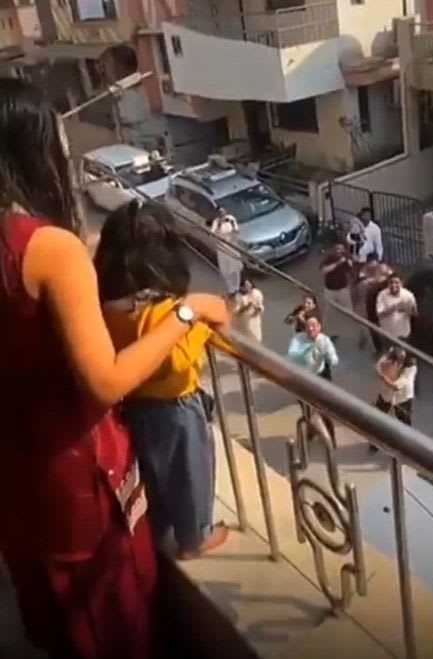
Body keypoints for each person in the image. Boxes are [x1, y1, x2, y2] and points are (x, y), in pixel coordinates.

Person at [0, 75, 229, 659]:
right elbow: (105, 379)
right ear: (33, 148)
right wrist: (187, 312)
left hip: (16, 475)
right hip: (74, 474)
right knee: (113, 621)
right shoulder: (46, 248)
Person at [95, 201, 232, 561]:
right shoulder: (164, 314)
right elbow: (177, 356)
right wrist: (199, 323)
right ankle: (194, 538)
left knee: (154, 475)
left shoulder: (107, 305)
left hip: (135, 404)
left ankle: (158, 529)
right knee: (192, 474)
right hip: (176, 407)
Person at [287, 316, 340, 444]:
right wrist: (307, 351)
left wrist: (328, 355)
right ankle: (312, 431)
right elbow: (292, 356)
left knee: (325, 410)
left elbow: (334, 360)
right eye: (308, 326)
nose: (311, 328)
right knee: (307, 410)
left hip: (320, 377)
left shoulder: (325, 341)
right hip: (303, 379)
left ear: (319, 327)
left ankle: (330, 439)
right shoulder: (298, 339)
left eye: (314, 325)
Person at [370, 347, 418, 454]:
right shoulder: (390, 356)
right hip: (386, 394)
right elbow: (378, 366)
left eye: (398, 360)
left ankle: (407, 444)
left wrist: (382, 377)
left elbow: (396, 387)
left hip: (402, 398)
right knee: (378, 418)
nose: (394, 362)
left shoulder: (410, 368)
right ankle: (375, 442)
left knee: (404, 422)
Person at [356, 253, 393, 352]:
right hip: (371, 303)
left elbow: (391, 276)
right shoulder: (364, 271)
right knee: (373, 326)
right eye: (370, 262)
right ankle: (379, 348)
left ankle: (389, 343)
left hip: (383, 300)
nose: (372, 264)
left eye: (374, 262)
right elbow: (361, 281)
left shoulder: (383, 268)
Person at [376, 273, 418, 343]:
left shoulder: (408, 296)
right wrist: (394, 307)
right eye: (391, 283)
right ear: (388, 284)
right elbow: (379, 315)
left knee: (401, 354)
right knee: (386, 352)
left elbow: (415, 314)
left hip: (403, 334)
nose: (394, 285)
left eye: (396, 282)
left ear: (401, 283)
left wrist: (407, 309)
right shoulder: (382, 295)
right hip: (386, 333)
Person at [210, 206, 243, 295]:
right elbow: (212, 234)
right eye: (220, 212)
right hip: (222, 248)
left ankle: (237, 286)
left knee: (235, 269)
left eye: (223, 212)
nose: (222, 214)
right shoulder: (216, 222)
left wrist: (233, 226)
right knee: (226, 270)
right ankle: (231, 289)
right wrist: (219, 225)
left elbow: (237, 230)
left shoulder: (231, 219)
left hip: (232, 246)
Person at [321, 242, 357, 314]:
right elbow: (323, 271)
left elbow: (351, 272)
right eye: (338, 248)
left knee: (349, 310)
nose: (340, 251)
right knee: (329, 310)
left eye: (342, 249)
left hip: (342, 289)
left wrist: (351, 263)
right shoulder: (330, 257)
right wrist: (338, 263)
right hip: (330, 290)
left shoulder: (346, 257)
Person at [231, 275, 265, 343]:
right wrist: (245, 308)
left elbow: (261, 306)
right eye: (245, 285)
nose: (248, 287)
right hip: (244, 320)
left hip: (254, 319)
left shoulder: (257, 293)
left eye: (249, 284)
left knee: (256, 338)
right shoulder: (239, 296)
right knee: (245, 338)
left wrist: (258, 309)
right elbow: (236, 311)